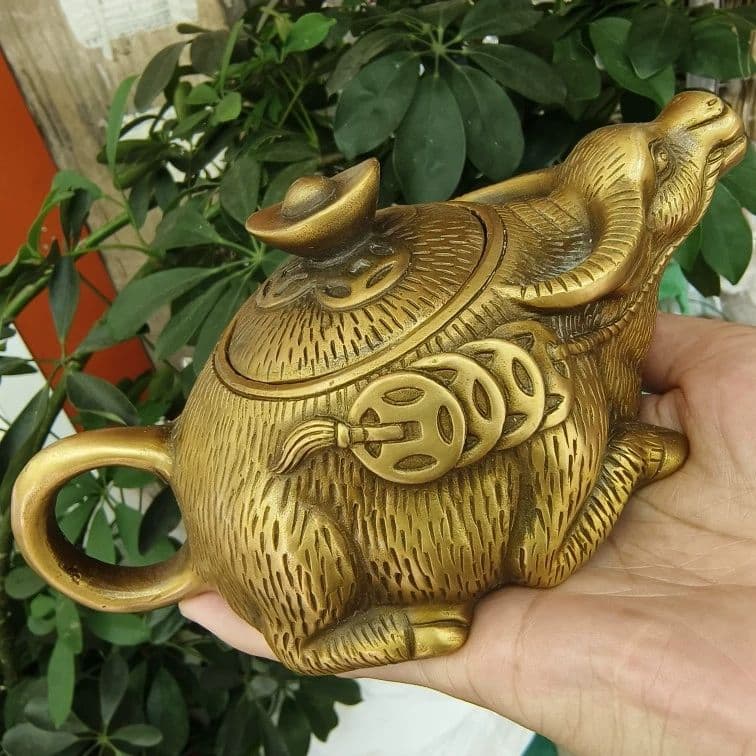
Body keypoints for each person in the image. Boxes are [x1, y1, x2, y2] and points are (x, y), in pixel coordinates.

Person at [180, 313, 756, 755]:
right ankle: (327, 638)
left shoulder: (571, 384)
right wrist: (621, 463)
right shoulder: (551, 411)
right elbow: (545, 561)